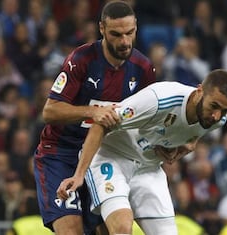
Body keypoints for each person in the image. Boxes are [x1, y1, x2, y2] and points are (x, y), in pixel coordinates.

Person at [57, 69, 227, 235]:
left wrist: (182, 147)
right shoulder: (159, 100)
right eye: (214, 106)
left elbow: (193, 135)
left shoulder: (218, 119)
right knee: (122, 227)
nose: (217, 115)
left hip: (148, 168)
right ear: (199, 92)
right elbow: (100, 123)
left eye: (225, 110)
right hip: (111, 156)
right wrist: (79, 174)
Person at [33, 1, 156, 235]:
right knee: (72, 231)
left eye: (129, 33)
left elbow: (148, 117)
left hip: (104, 156)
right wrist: (92, 112)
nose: (124, 41)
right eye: (116, 34)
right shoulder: (82, 59)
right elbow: (50, 111)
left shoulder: (143, 69)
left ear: (136, 27)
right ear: (101, 29)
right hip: (61, 154)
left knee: (113, 230)